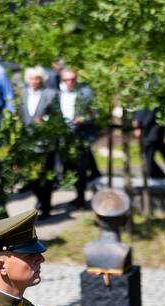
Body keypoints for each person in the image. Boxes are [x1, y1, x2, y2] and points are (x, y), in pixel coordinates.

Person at [18, 67, 62, 218]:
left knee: (44, 176)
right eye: (31, 78)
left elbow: (57, 117)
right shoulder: (22, 94)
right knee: (31, 177)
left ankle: (46, 207)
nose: (34, 81)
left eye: (37, 78)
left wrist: (45, 122)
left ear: (42, 80)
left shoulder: (51, 94)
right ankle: (40, 200)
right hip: (27, 143)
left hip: (45, 142)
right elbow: (20, 116)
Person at [58, 68, 100, 208]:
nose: (70, 82)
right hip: (64, 135)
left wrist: (81, 119)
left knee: (81, 167)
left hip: (81, 135)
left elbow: (95, 113)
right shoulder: (58, 93)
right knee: (69, 167)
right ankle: (78, 195)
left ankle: (81, 198)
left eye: (72, 79)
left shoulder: (85, 92)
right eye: (66, 80)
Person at [133, 106, 165, 178]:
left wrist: (139, 125)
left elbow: (149, 116)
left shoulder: (152, 102)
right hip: (151, 132)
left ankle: (155, 173)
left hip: (151, 132)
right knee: (163, 151)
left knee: (148, 154)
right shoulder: (145, 101)